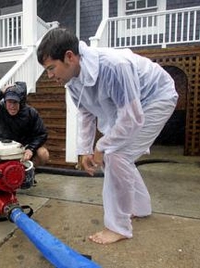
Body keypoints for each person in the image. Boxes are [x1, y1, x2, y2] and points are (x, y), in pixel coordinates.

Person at [37, 28, 178, 244]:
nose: (50, 75)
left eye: (51, 68)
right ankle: (140, 208)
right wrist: (84, 150)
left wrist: (102, 146)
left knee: (116, 155)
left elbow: (131, 117)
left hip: (156, 97)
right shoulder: (72, 81)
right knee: (120, 155)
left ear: (69, 57)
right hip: (129, 107)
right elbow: (85, 113)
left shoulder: (113, 66)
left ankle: (118, 227)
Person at [0, 81, 49, 167]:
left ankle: (29, 171)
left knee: (43, 153)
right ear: (5, 101)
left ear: (20, 102)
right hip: (2, 145)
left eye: (15, 102)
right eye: (9, 102)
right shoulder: (0, 109)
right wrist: (0, 92)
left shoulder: (31, 113)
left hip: (23, 148)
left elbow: (42, 134)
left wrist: (31, 148)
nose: (12, 106)